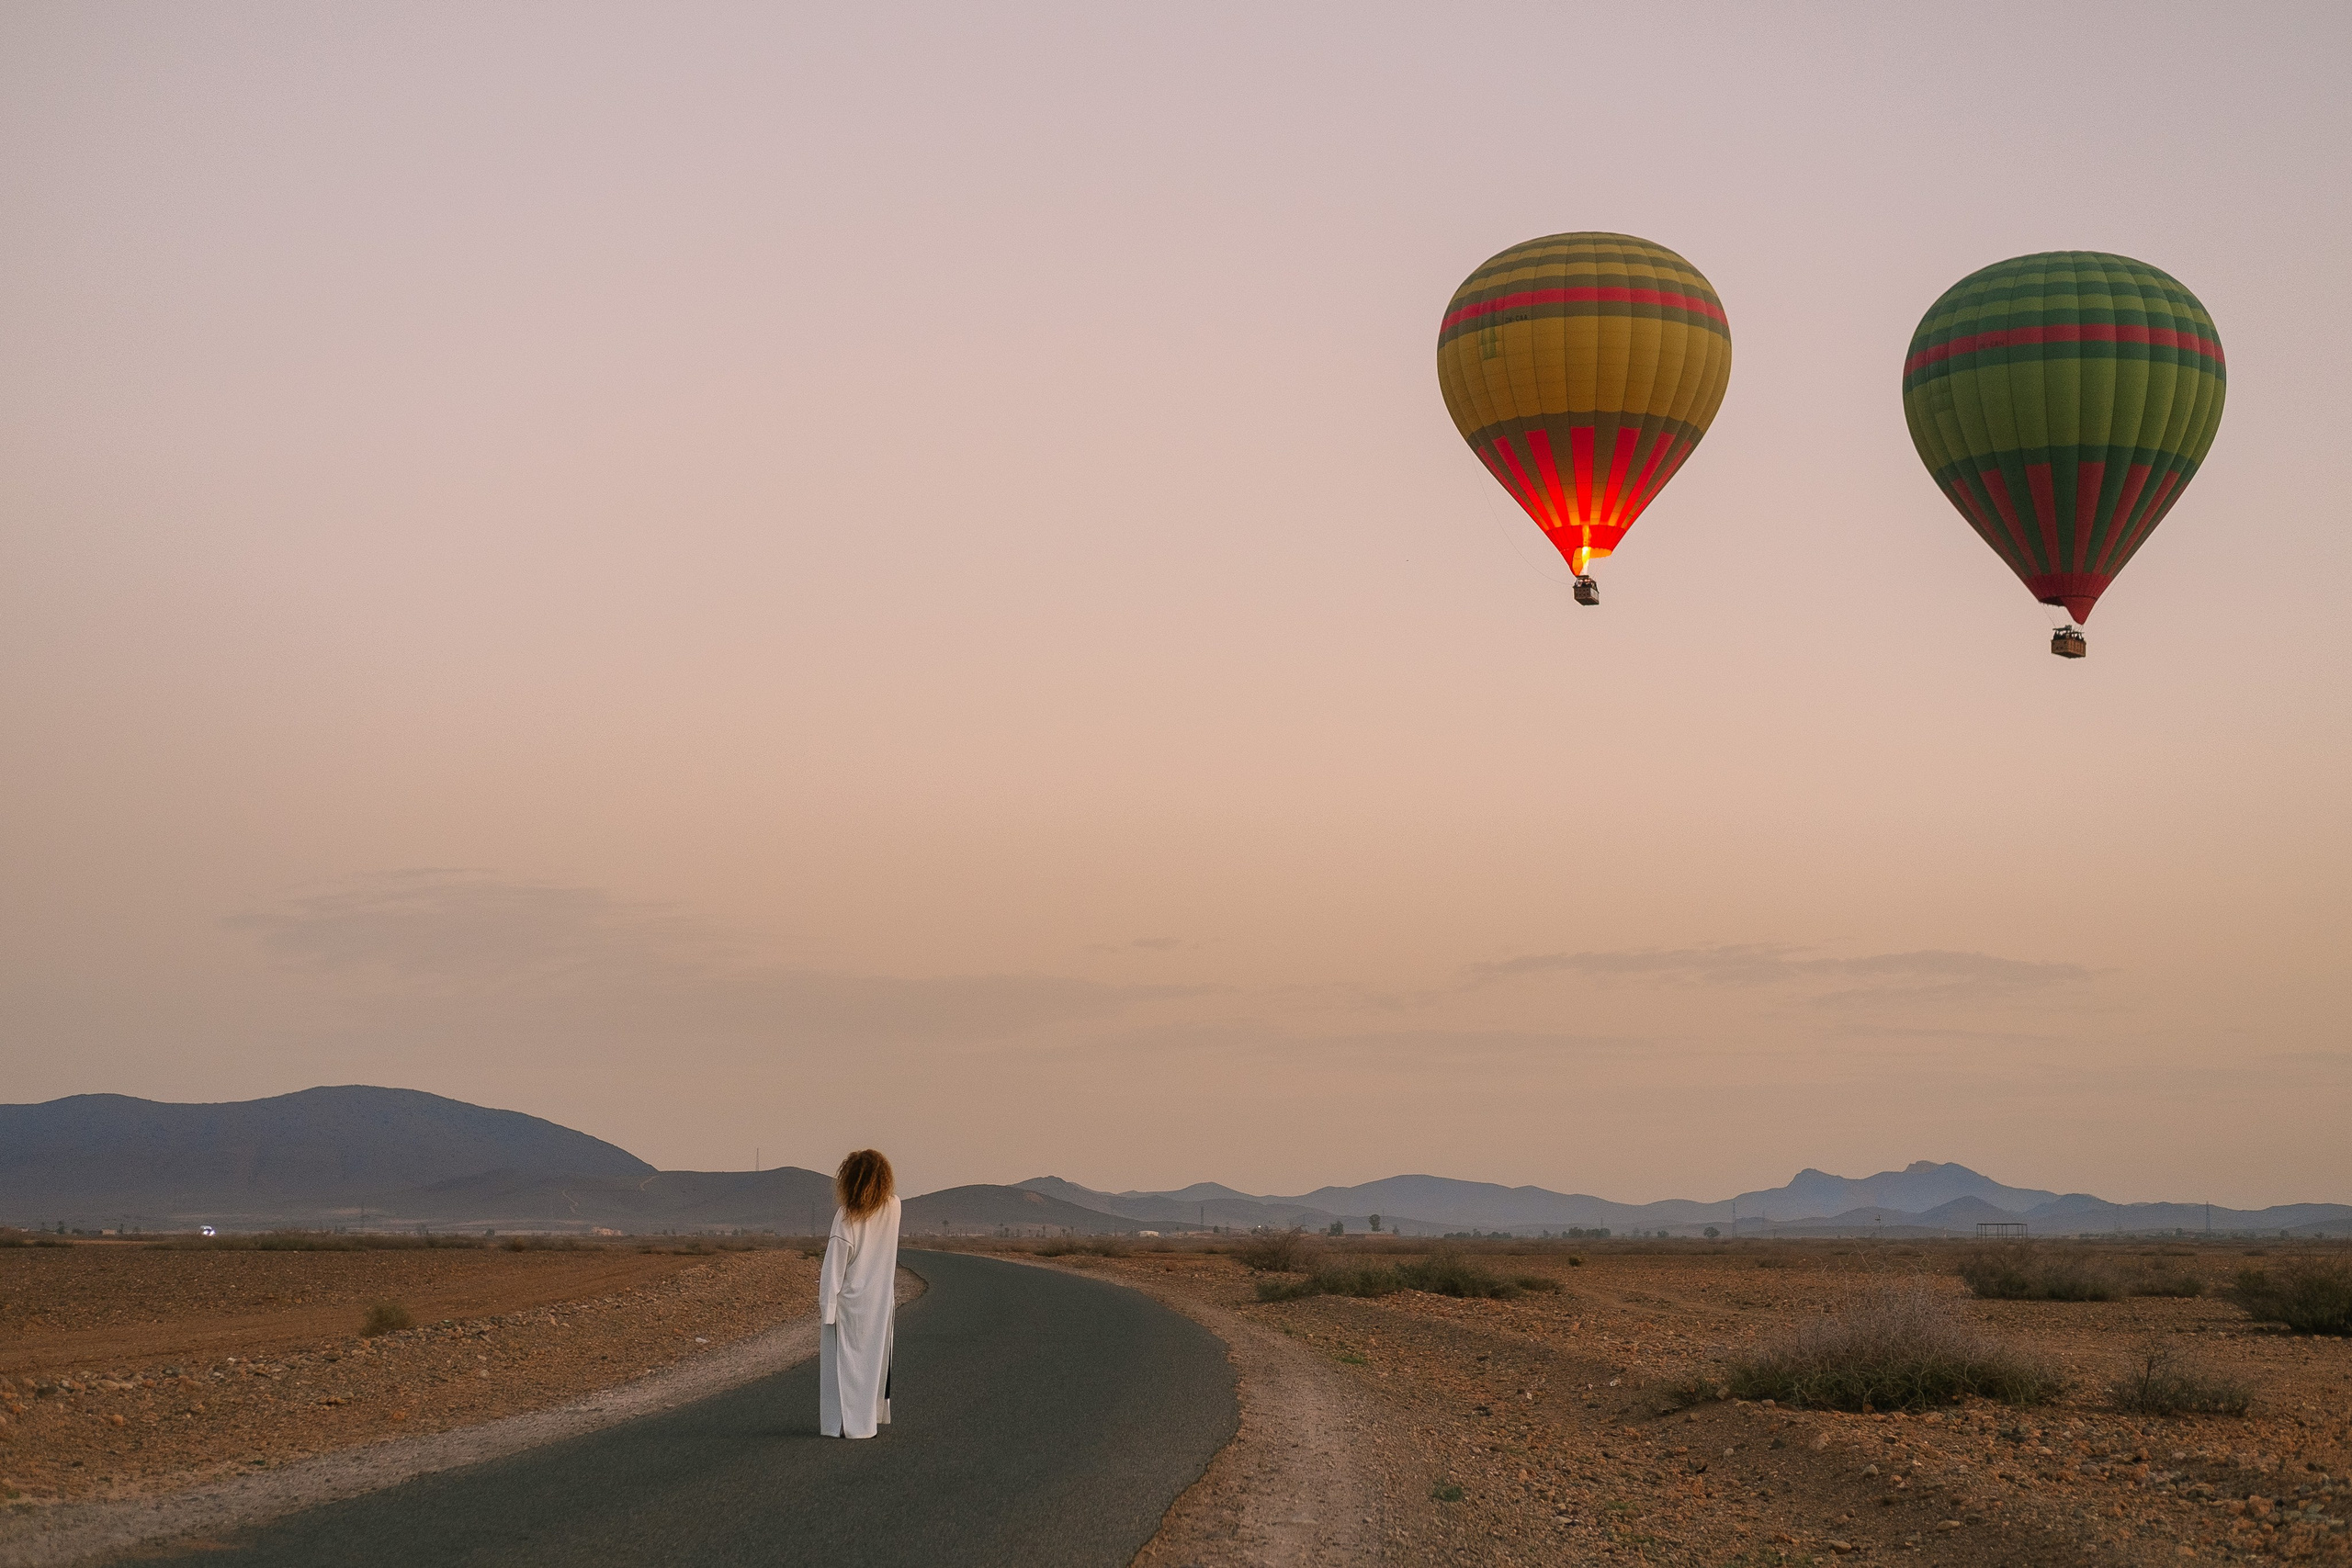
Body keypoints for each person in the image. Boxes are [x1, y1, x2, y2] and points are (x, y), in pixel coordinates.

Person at [818, 1147, 899, 1438]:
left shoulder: (846, 1218)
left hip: (849, 1305)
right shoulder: (894, 1208)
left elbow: (833, 1269)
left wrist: (827, 1310)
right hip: (880, 1303)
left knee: (842, 1366)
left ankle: (843, 1425)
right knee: (872, 1363)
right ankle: (869, 1418)